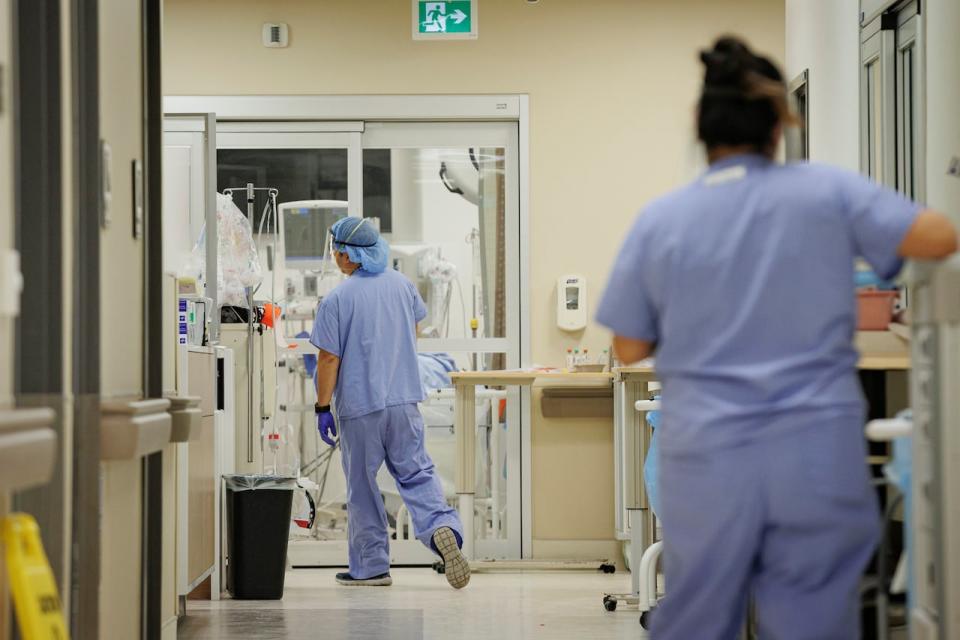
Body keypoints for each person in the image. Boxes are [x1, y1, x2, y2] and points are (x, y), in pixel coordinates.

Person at [596, 36, 957, 639]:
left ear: (700, 127)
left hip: (708, 457)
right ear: (781, 123)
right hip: (813, 453)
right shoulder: (828, 192)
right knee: (813, 621)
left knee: (700, 619)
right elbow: (939, 237)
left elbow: (628, 347)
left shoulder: (663, 220)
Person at [310, 216, 470, 589]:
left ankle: (370, 567)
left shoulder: (337, 299)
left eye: (337, 249)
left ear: (350, 255)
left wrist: (321, 407)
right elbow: (412, 334)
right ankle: (443, 528)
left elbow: (328, 359)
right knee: (417, 473)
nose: (335, 256)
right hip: (403, 401)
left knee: (363, 485)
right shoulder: (403, 286)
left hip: (361, 407)